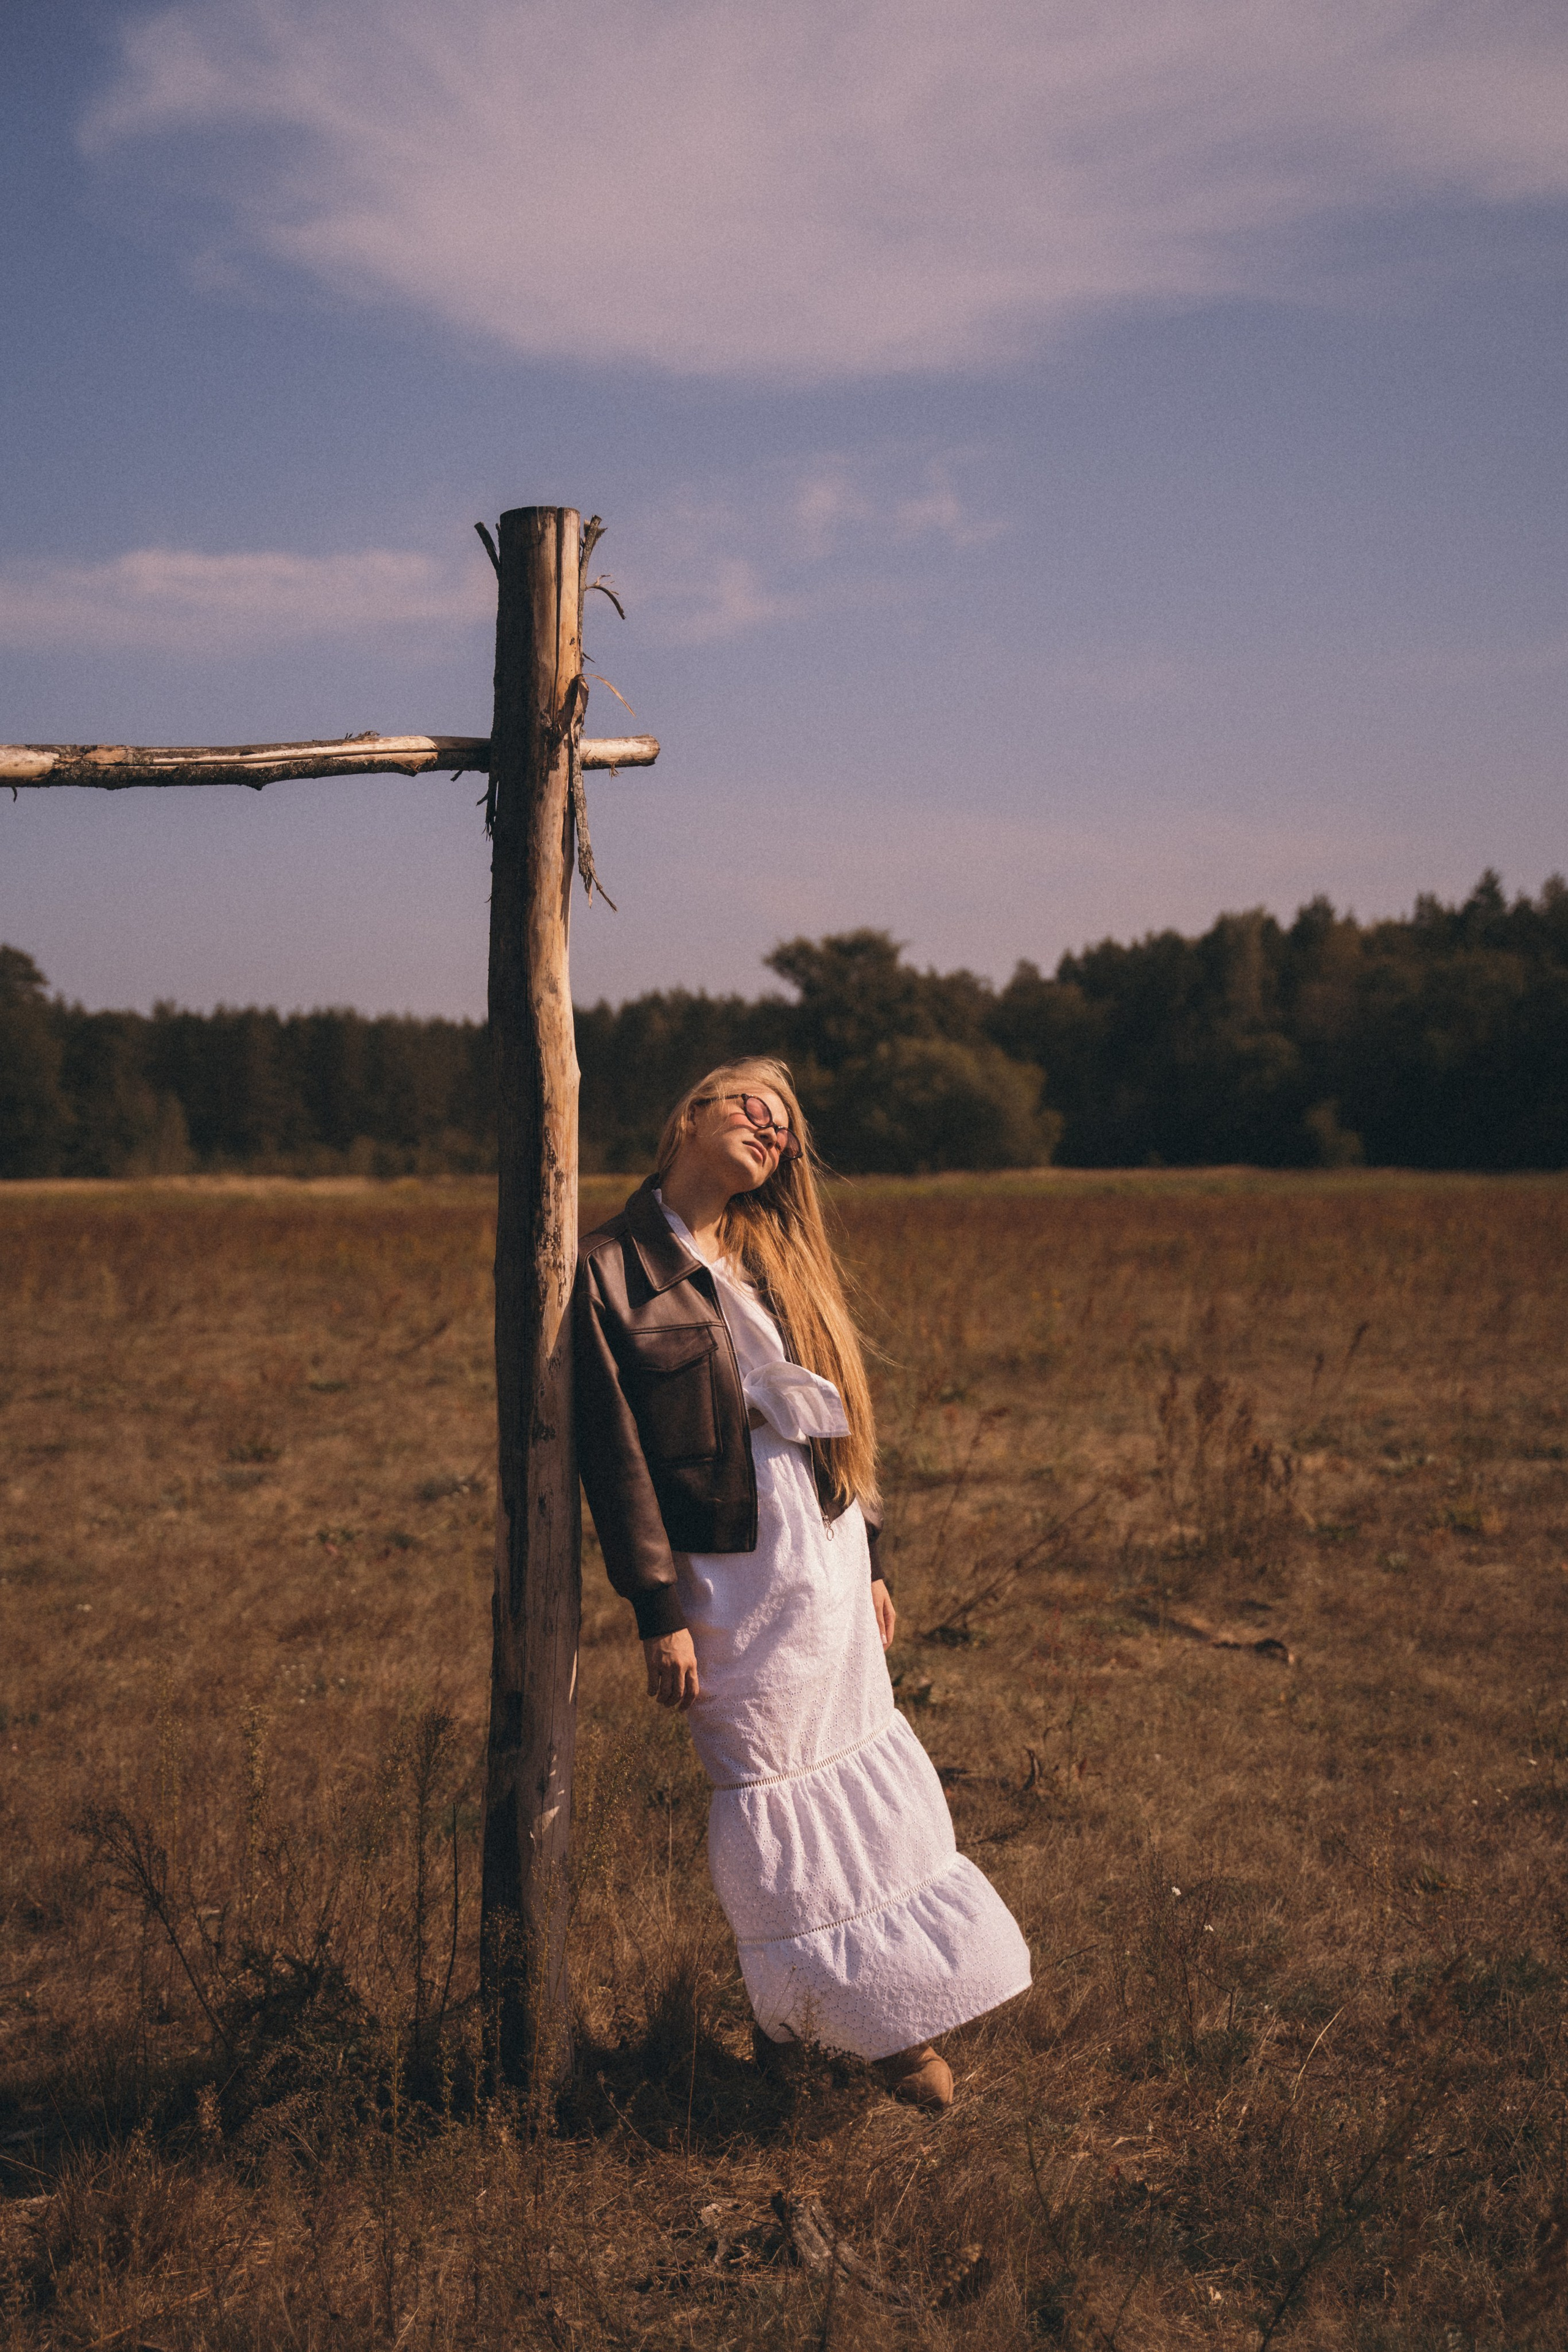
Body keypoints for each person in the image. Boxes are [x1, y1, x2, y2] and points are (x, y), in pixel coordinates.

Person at [573, 1058, 1031, 2106]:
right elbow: (615, 1460)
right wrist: (657, 1610)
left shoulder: (775, 1258)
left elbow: (840, 1410)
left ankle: (877, 2022)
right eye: (751, 1107)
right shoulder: (609, 1270)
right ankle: (821, 2016)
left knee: (858, 1765)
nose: (769, 1130)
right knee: (767, 1785)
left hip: (822, 1545)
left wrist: (874, 1557)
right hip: (727, 1573)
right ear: (689, 1114)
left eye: (783, 1127)